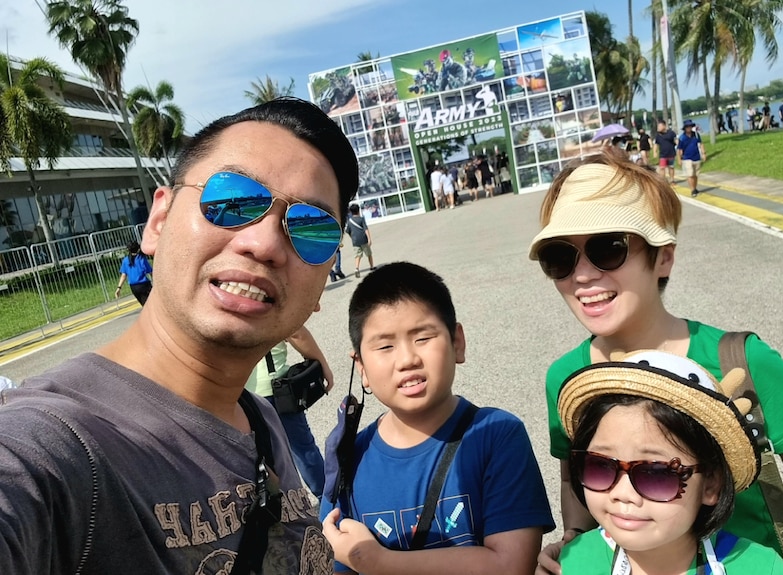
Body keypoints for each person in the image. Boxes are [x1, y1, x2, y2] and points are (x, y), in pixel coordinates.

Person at [0, 97, 359, 574]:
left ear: (322, 281)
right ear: (159, 221)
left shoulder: (258, 420)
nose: (265, 243)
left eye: (311, 228)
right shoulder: (57, 444)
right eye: (232, 201)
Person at [527, 149, 783, 574]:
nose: (583, 275)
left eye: (608, 249)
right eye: (561, 257)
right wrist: (575, 543)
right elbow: (576, 473)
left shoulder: (742, 359)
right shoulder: (567, 379)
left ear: (663, 255)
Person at [321, 262, 555, 575]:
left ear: (457, 341)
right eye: (386, 346)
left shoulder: (497, 435)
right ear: (361, 366)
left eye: (423, 338)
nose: (407, 359)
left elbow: (511, 565)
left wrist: (378, 562)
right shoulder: (350, 459)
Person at [557, 350, 783, 575]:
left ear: (711, 485)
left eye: (656, 474)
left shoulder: (761, 568)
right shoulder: (571, 561)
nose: (623, 493)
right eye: (600, 466)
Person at [246, 325, 334, 501]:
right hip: (277, 391)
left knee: (263, 458)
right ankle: (329, 502)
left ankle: (282, 510)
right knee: (303, 450)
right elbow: (297, 333)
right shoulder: (268, 305)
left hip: (244, 396)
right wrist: (323, 367)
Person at [114, 240, 153, 305]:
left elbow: (123, 275)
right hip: (144, 285)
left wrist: (119, 287)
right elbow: (150, 272)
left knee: (145, 304)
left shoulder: (126, 260)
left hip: (133, 287)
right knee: (151, 304)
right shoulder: (141, 258)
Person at [677, 119, 705, 197]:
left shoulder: (696, 135)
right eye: (687, 127)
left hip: (696, 157)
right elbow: (679, 149)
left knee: (695, 175)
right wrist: (679, 159)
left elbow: (701, 144)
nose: (689, 128)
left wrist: (703, 153)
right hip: (687, 158)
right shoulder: (682, 137)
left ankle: (695, 188)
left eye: (690, 126)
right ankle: (692, 189)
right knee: (690, 175)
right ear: (685, 128)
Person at [346, 203, 375, 278]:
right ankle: (372, 266)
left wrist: (352, 237)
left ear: (351, 212)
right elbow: (366, 229)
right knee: (369, 254)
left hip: (355, 241)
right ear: (358, 210)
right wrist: (369, 239)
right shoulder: (361, 219)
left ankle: (356, 268)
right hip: (363, 239)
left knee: (357, 255)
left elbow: (348, 231)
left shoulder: (349, 221)